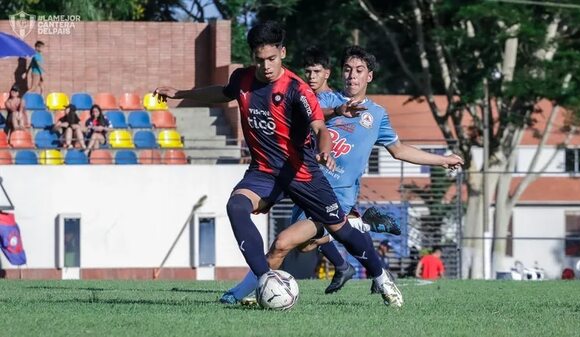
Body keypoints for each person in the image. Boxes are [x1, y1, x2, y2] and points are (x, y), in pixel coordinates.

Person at [154, 21, 404, 307]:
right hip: (264, 171)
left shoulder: (297, 90)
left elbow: (321, 128)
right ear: (252, 57)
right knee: (236, 206)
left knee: (341, 231)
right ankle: (265, 280)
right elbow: (223, 93)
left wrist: (325, 152)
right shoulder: (243, 79)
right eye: (260, 60)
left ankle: (381, 276)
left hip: (302, 172)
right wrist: (182, 93)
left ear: (282, 53)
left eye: (272, 59)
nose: (266, 66)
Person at [219, 45, 464, 304]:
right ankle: (359, 226)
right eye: (347, 70)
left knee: (282, 243)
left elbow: (400, 150)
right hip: (308, 187)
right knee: (306, 245)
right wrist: (333, 115)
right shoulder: (324, 101)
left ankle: (239, 294)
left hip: (339, 193)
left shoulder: (377, 115)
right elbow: (306, 115)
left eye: (359, 70)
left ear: (369, 76)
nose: (352, 76)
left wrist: (442, 160)